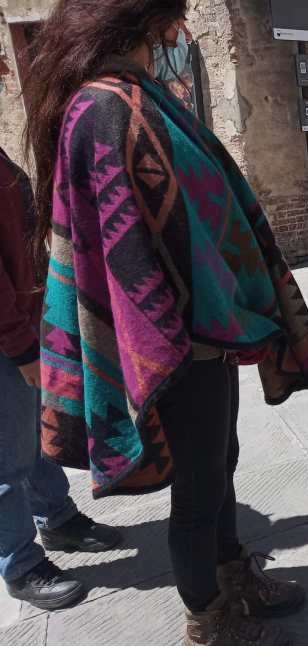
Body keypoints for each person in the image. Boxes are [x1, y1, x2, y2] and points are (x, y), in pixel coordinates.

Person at [23, 2, 308, 644]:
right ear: (153, 23)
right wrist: (186, 324)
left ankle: (233, 578)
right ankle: (209, 620)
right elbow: (132, 244)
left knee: (222, 465)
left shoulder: (134, 94)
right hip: (178, 340)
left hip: (210, 331)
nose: (183, 31)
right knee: (196, 491)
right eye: (178, 18)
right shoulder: (106, 106)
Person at [1, 145, 122, 611]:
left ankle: (56, 518)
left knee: (31, 434)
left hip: (23, 321)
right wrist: (21, 346)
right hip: (7, 335)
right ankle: (19, 563)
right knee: (6, 459)